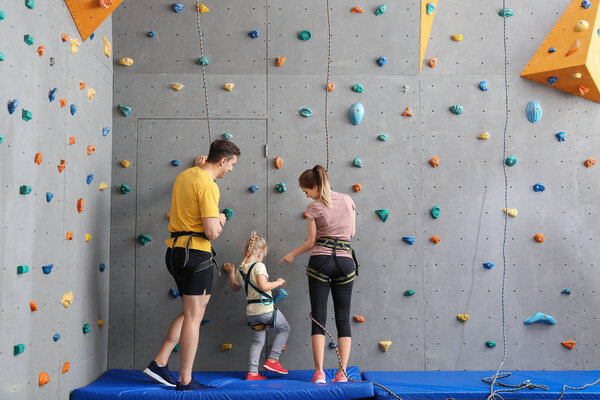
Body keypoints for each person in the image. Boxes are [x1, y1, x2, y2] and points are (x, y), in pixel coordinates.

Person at [143, 139, 241, 391]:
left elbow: (196, 194)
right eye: (232, 164)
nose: (232, 169)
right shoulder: (208, 186)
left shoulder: (186, 175)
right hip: (196, 254)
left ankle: (160, 362)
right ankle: (185, 380)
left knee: (193, 312)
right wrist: (221, 219)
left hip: (176, 251)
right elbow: (211, 232)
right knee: (194, 316)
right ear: (222, 160)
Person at [279, 165, 357, 384]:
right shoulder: (349, 200)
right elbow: (351, 233)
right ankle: (342, 374)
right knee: (343, 319)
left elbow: (311, 242)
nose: (306, 195)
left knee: (318, 318)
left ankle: (319, 373)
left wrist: (292, 254)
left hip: (320, 262)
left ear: (315, 186)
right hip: (345, 262)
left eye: (307, 190)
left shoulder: (313, 207)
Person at [223, 231, 291, 381]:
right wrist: (279, 282)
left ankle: (252, 373)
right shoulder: (259, 266)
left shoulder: (241, 269)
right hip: (265, 309)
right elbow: (264, 285)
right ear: (260, 253)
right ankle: (273, 360)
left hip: (252, 313)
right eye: (263, 254)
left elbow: (235, 287)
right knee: (285, 328)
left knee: (257, 341)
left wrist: (231, 273)